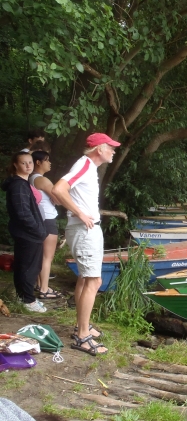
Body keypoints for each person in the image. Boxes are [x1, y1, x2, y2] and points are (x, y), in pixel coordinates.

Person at [52, 133, 120, 356]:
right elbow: (58, 189)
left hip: (88, 228)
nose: (113, 151)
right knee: (94, 279)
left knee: (85, 277)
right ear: (99, 149)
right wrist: (80, 213)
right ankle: (82, 337)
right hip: (84, 229)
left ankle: (83, 325)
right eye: (111, 147)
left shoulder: (88, 167)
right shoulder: (85, 165)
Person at [1, 152, 48, 312]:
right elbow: (23, 213)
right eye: (23, 163)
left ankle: (23, 297)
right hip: (27, 234)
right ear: (16, 165)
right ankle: (27, 300)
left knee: (25, 266)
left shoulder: (22, 183)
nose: (28, 166)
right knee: (29, 267)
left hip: (28, 233)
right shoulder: (18, 185)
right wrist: (38, 231)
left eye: (30, 162)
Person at [30, 151, 62, 299]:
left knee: (40, 255)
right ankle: (44, 288)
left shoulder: (30, 178)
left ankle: (39, 284)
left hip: (39, 219)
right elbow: (59, 199)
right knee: (47, 257)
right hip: (48, 219)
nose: (49, 163)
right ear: (38, 162)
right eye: (47, 160)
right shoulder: (42, 180)